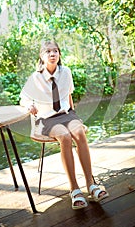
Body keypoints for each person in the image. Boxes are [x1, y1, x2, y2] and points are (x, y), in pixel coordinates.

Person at [20, 40, 109, 210]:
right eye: (48, 51)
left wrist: (74, 117)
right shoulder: (35, 77)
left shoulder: (66, 72)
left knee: (80, 133)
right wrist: (28, 106)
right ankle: (74, 189)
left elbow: (68, 97)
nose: (52, 54)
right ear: (42, 56)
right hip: (47, 119)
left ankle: (91, 184)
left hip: (67, 114)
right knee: (65, 137)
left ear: (59, 54)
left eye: (55, 51)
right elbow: (23, 98)